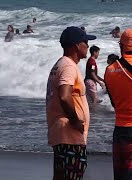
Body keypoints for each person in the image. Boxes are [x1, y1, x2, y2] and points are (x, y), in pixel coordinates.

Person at [46, 26, 96, 180]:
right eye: (85, 42)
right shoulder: (68, 66)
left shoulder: (60, 64)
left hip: (62, 133)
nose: (88, 46)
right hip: (70, 136)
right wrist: (76, 122)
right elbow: (64, 96)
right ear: (76, 45)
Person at [104, 28, 132, 180]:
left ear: (122, 46)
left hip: (119, 129)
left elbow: (114, 103)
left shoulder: (109, 70)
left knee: (120, 177)